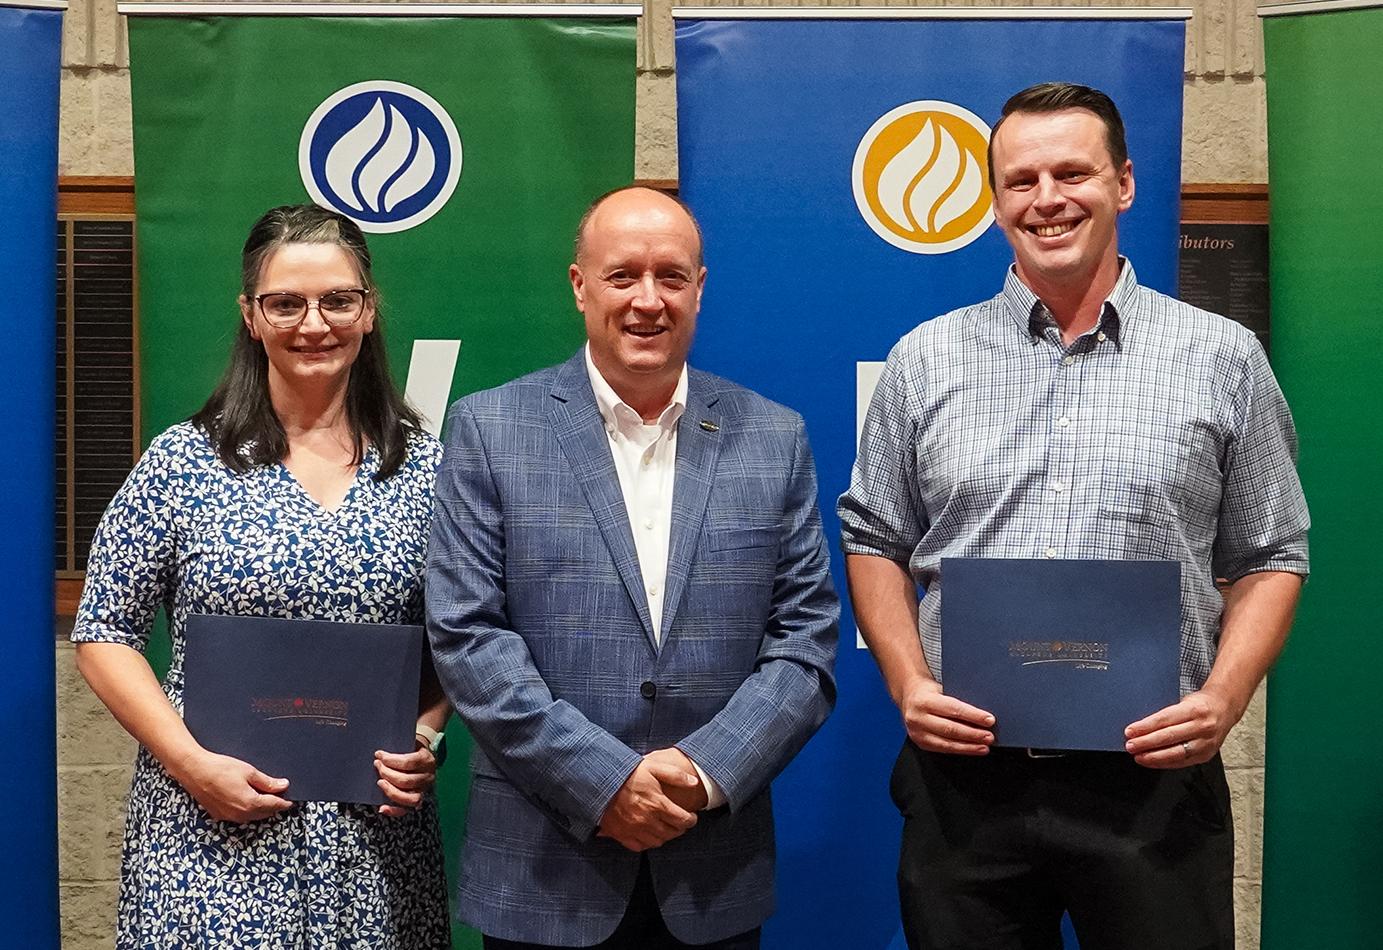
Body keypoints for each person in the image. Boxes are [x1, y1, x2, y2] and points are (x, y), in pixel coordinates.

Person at [838, 83, 1310, 950]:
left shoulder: (1220, 356)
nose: (1045, 199)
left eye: (1071, 172)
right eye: (1019, 180)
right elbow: (872, 540)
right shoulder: (924, 359)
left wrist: (1224, 696)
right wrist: (907, 684)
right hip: (964, 789)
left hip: (1154, 786)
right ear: (993, 201)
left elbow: (1273, 552)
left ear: (1124, 183)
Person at [426, 185, 839, 950]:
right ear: (580, 285)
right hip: (544, 870)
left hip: (710, 868)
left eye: (670, 277)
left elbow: (804, 642)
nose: (647, 300)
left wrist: (701, 770)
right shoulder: (489, 428)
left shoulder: (774, 438)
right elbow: (468, 636)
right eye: (622, 276)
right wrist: (603, 781)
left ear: (700, 288)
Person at [73, 204, 451, 948]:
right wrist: (189, 765)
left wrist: (427, 738)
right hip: (208, 839)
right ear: (250, 315)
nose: (315, 323)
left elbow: (458, 639)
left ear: (369, 311)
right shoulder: (184, 462)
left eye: (338, 299)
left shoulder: (426, 469)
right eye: (286, 303)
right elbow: (104, 631)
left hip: (371, 845)